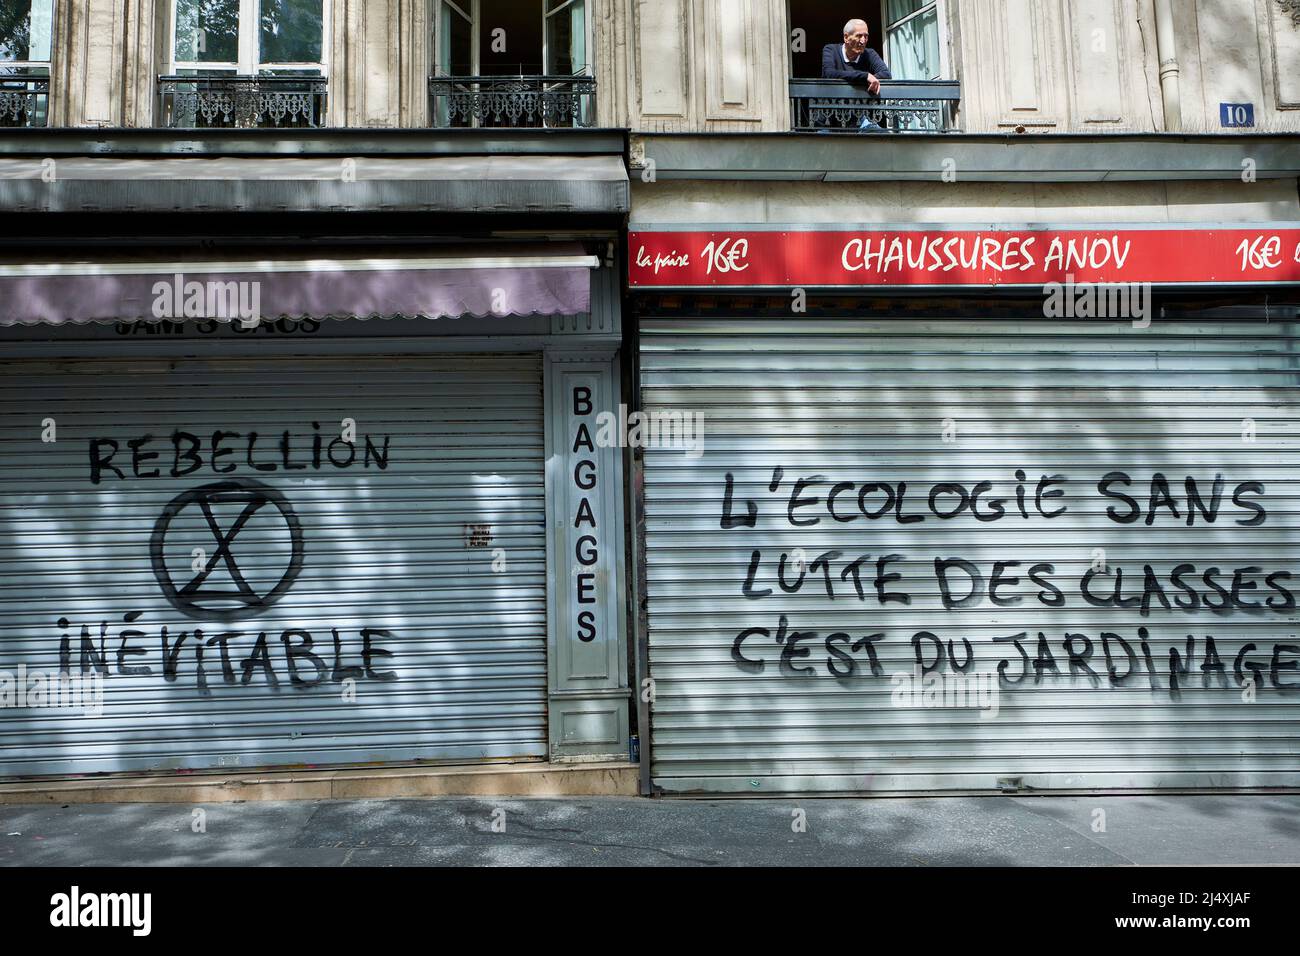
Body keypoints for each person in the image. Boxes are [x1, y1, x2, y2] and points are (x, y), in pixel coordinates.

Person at [821, 18, 891, 132]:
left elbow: (886, 74)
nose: (863, 41)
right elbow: (829, 73)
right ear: (846, 37)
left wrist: (866, 78)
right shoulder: (830, 50)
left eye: (866, 36)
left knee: (885, 137)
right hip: (828, 121)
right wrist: (865, 77)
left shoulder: (869, 54)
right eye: (859, 36)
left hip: (860, 120)